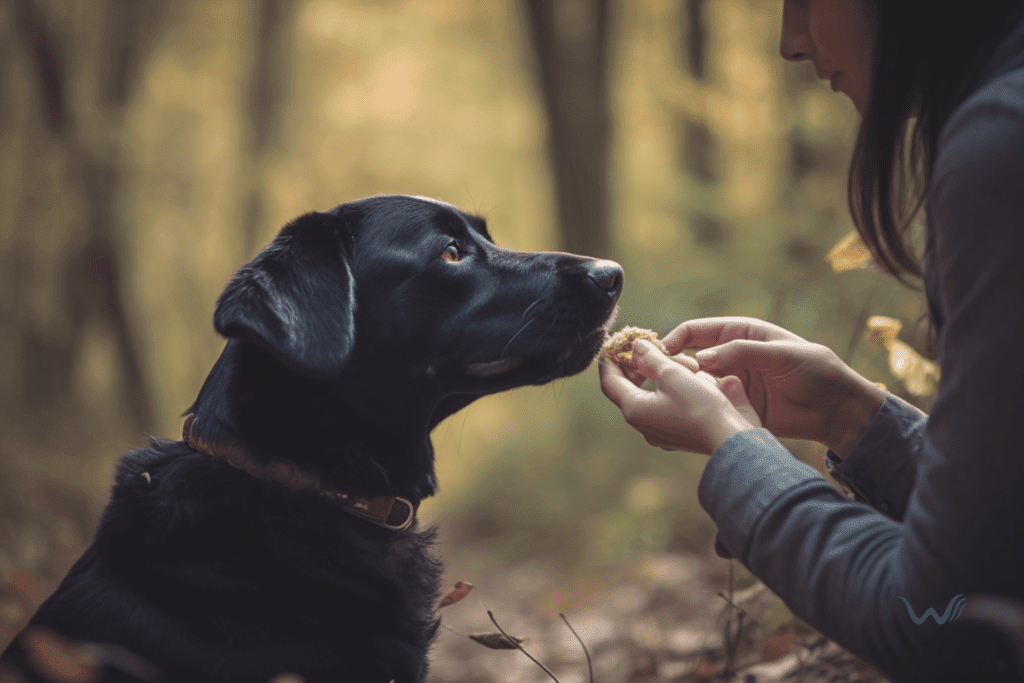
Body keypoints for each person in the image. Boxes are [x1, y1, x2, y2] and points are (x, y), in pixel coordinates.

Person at [599, 1, 1024, 681]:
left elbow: (944, 621)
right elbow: (1005, 550)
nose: (789, 43)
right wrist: (853, 416)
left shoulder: (1000, 156)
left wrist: (732, 449)